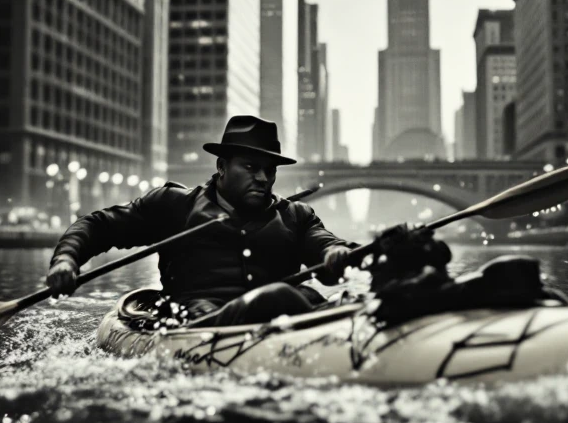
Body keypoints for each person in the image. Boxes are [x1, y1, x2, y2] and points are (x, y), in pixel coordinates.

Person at [46, 115, 356, 326]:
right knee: (280, 296)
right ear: (222, 166)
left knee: (309, 297)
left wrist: (335, 254)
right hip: (198, 318)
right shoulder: (174, 206)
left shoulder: (296, 216)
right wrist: (66, 259)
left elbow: (325, 245)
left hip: (285, 315)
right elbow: (99, 226)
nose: (263, 178)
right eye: (250, 166)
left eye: (270, 170)